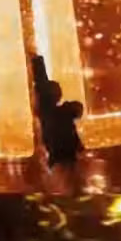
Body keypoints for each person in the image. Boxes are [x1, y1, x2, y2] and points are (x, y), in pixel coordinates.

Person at [31, 55, 84, 195]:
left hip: (62, 158)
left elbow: (42, 85)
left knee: (70, 187)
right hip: (63, 158)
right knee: (70, 187)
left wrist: (37, 62)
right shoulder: (53, 112)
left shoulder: (50, 112)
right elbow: (42, 85)